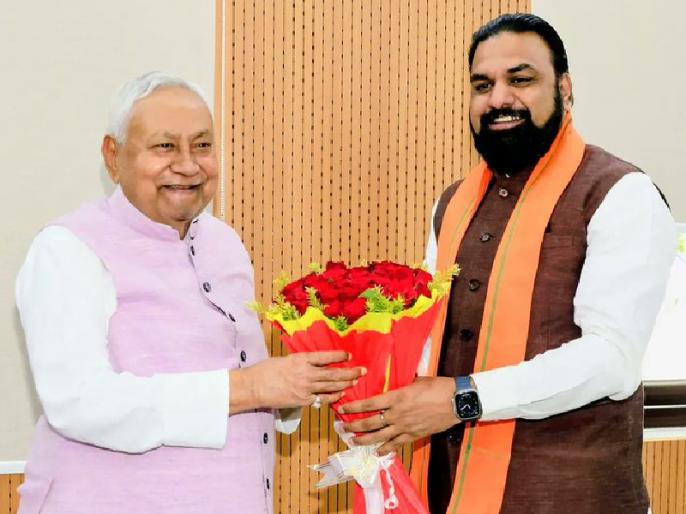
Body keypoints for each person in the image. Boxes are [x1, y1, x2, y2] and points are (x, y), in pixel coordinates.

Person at [340, 13, 676, 514]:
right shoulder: (452, 203)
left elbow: (611, 360)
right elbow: (429, 338)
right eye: (483, 85)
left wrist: (462, 398)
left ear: (564, 89)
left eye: (520, 79)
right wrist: (369, 391)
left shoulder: (620, 193)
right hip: (450, 493)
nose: (499, 99)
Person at [15, 72, 363, 514]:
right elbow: (81, 403)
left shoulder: (224, 243)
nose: (187, 164)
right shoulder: (68, 248)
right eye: (165, 146)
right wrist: (253, 388)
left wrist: (303, 386)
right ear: (113, 157)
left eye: (202, 145)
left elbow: (248, 379)